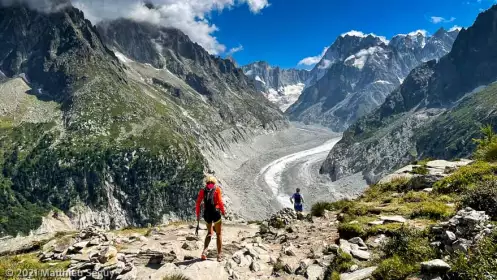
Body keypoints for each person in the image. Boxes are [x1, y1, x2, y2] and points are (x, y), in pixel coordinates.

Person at [195, 175, 226, 262]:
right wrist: (223, 211)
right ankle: (219, 255)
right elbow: (220, 202)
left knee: (209, 232)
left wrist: (197, 215)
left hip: (207, 214)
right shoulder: (217, 190)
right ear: (214, 183)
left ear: (206, 183)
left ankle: (204, 251)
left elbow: (198, 203)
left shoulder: (202, 191)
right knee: (219, 233)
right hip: (216, 213)